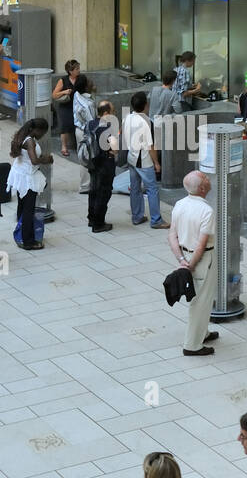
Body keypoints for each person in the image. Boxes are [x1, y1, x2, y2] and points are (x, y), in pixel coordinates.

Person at [167, 170, 217, 356]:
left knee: (201, 297)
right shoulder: (207, 211)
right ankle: (192, 345)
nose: (208, 177)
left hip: (186, 256)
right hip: (203, 260)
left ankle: (203, 332)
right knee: (200, 301)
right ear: (203, 188)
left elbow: (172, 235)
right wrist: (191, 265)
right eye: (205, 177)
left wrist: (182, 260)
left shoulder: (180, 204)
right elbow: (201, 244)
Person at [124, 91, 168, 229]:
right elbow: (151, 146)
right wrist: (156, 163)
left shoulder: (128, 117)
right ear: (146, 105)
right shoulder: (146, 122)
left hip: (131, 157)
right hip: (143, 160)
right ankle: (156, 220)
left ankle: (136, 216)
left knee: (135, 188)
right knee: (152, 189)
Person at [8, 118, 51, 250]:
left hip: (20, 174)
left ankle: (20, 234)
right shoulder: (30, 141)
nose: (42, 135)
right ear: (35, 130)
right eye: (42, 132)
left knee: (22, 206)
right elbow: (34, 160)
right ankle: (28, 241)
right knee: (28, 209)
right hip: (27, 178)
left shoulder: (23, 136)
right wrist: (46, 159)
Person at [88, 99, 118, 233]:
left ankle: (91, 218)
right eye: (113, 112)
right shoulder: (107, 127)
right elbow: (115, 148)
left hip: (92, 162)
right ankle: (98, 224)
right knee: (103, 192)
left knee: (93, 190)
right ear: (106, 113)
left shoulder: (90, 124)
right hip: (105, 163)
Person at [52, 59, 81, 158]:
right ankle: (64, 147)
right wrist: (64, 92)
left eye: (78, 68)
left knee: (78, 125)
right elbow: (54, 95)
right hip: (66, 106)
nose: (79, 70)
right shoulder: (63, 80)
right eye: (76, 69)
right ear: (70, 71)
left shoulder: (81, 79)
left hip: (78, 106)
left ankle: (78, 146)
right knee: (65, 126)